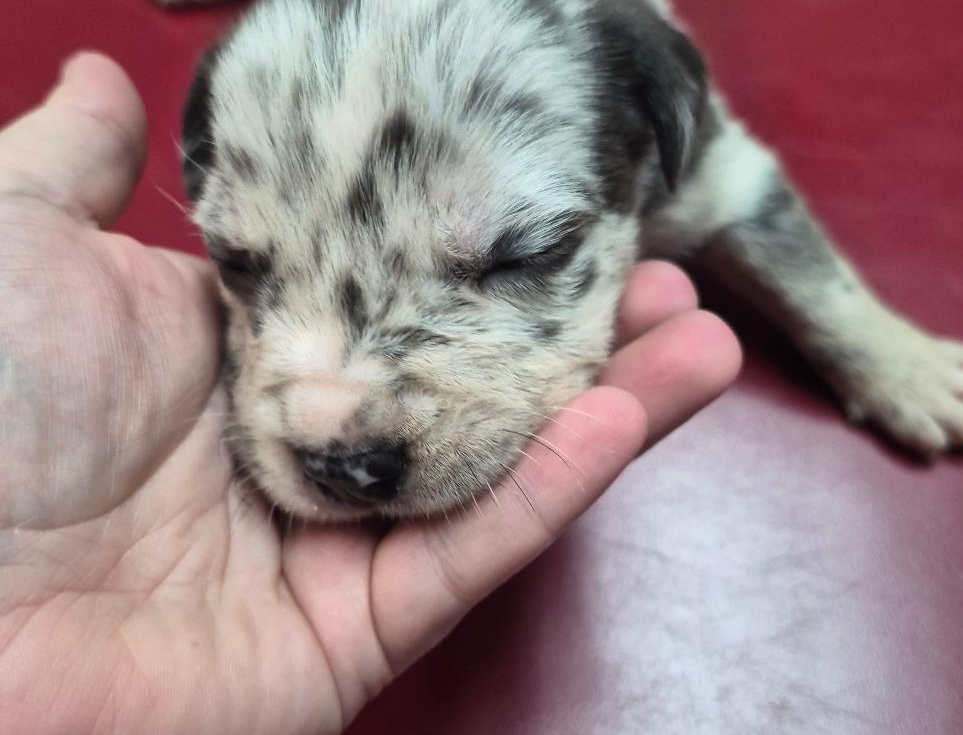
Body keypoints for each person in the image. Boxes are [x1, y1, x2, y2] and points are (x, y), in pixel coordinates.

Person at [0, 52, 741, 734]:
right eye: (243, 260)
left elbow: (743, 188)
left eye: (516, 253)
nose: (337, 437)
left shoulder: (604, 67)